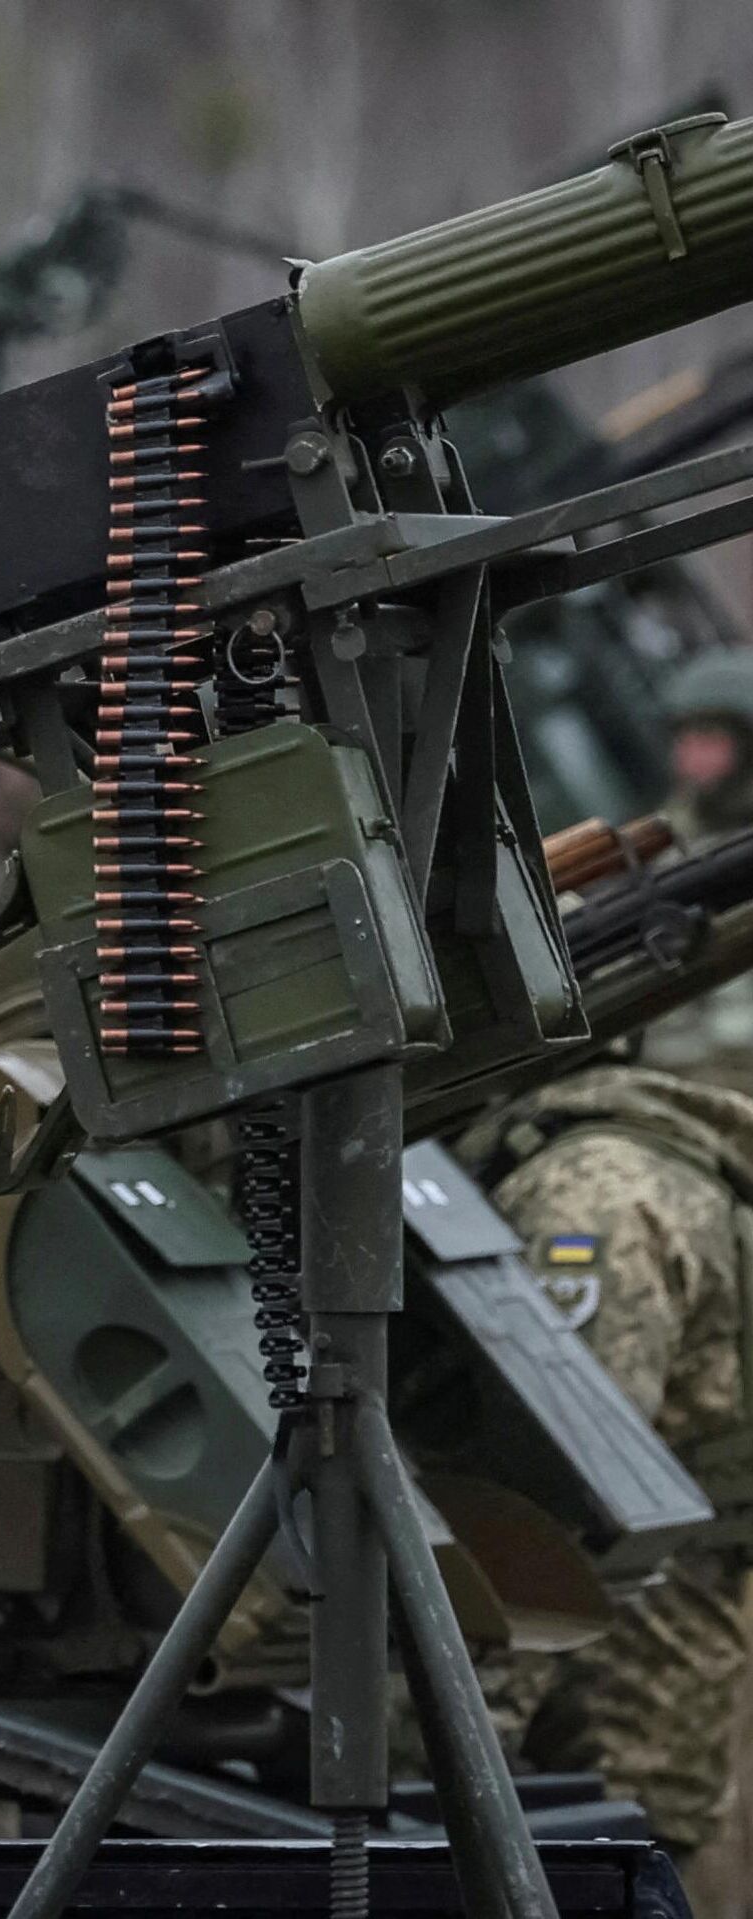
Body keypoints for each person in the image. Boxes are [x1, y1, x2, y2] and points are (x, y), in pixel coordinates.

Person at [455, 1061, 753, 1864]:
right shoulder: (654, 1166)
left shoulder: (596, 1193)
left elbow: (565, 1489)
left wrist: (470, 1730)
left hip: (598, 1703)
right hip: (641, 1692)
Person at [640, 650, 753, 1098]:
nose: (690, 754)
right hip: (675, 1065)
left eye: (708, 737)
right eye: (684, 737)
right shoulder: (671, 839)